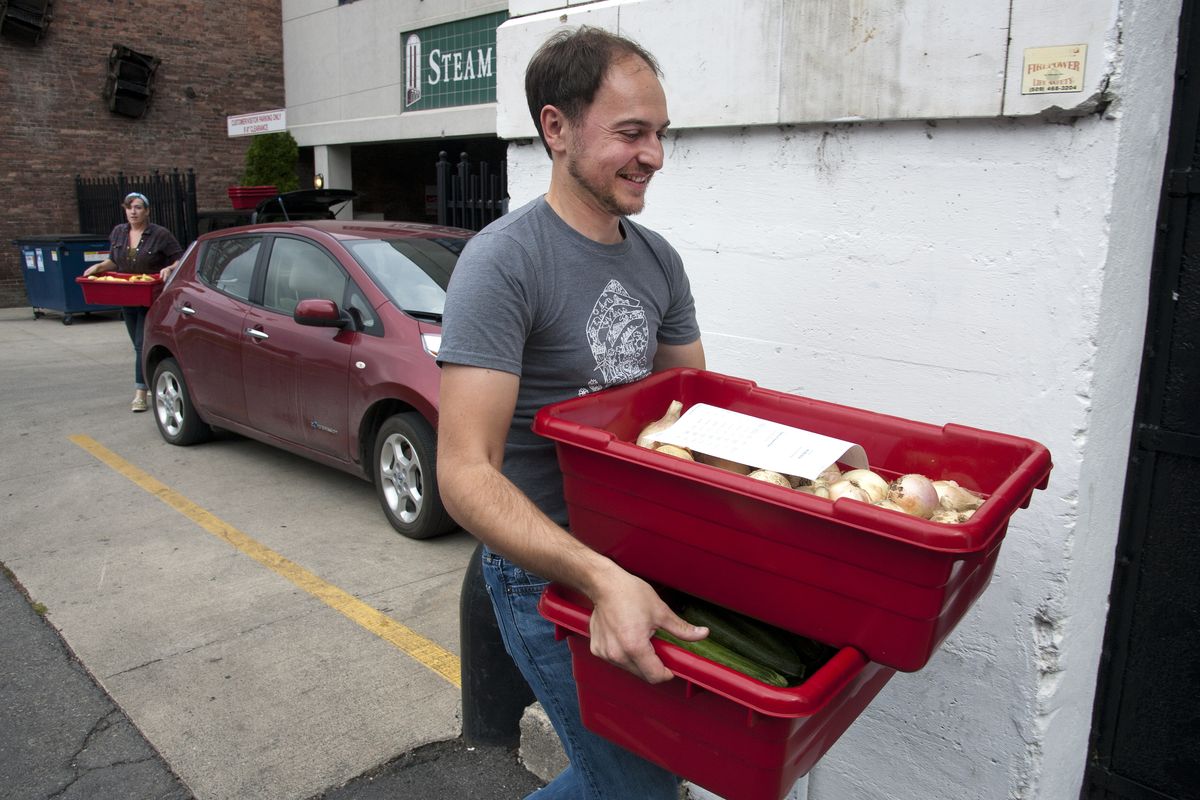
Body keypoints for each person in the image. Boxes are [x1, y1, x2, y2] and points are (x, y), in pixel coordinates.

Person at [437, 26, 708, 799]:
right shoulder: (504, 263)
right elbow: (462, 472)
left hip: (641, 560)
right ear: (556, 128)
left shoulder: (659, 258)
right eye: (631, 132)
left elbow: (695, 414)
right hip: (547, 576)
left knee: (649, 779)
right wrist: (596, 576)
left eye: (659, 133)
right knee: (638, 789)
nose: (654, 154)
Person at [83, 192, 183, 412]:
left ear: (146, 210)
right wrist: (99, 267)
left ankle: (140, 393)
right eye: (129, 208)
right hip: (126, 295)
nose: (133, 212)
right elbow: (114, 261)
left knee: (140, 344)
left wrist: (169, 268)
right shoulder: (119, 232)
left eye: (138, 207)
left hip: (150, 296)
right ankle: (151, 379)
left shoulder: (160, 234)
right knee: (138, 345)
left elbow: (180, 258)